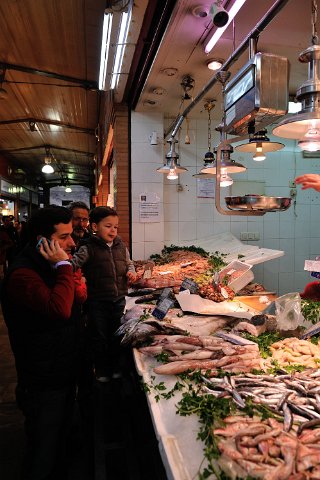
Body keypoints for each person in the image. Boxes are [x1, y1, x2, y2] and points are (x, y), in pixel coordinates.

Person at [1, 206, 87, 480]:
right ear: (42, 240)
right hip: (43, 379)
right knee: (43, 452)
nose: (72, 243)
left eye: (71, 236)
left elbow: (78, 299)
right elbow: (59, 309)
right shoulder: (23, 274)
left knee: (63, 441)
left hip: (62, 368)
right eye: (64, 237)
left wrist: (66, 269)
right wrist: (64, 266)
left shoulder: (48, 264)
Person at [72, 206, 137, 383]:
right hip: (97, 302)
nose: (113, 230)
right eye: (108, 226)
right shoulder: (88, 247)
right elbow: (73, 265)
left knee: (117, 335)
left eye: (115, 227)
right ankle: (101, 371)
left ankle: (117, 369)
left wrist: (132, 272)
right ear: (94, 227)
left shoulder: (120, 244)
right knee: (99, 337)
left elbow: (129, 263)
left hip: (119, 300)